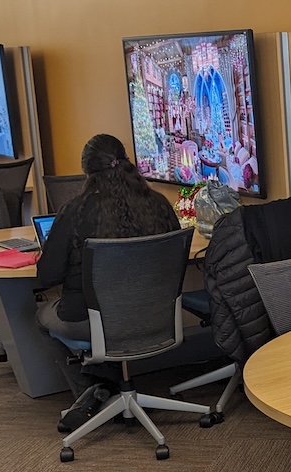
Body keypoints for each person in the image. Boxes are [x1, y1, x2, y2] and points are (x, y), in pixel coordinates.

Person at [35, 134, 179, 431]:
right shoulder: (159, 204)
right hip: (156, 318)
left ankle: (91, 393)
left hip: (92, 320)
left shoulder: (75, 211)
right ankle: (107, 386)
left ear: (87, 171)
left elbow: (46, 277)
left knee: (41, 317)